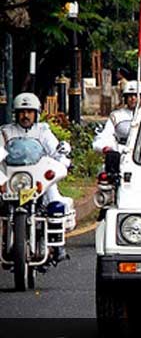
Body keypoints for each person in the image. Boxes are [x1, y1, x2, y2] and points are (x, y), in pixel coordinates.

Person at [0, 93, 74, 262]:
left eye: (29, 111)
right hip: (14, 180)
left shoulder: (43, 131)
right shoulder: (6, 132)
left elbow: (56, 151)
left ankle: (57, 245)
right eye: (22, 112)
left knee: (54, 200)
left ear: (36, 113)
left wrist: (63, 161)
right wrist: (1, 182)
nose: (25, 115)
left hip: (38, 179)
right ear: (16, 114)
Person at [93, 81, 141, 153]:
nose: (133, 98)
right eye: (130, 96)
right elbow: (105, 135)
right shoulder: (116, 116)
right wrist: (105, 148)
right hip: (122, 153)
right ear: (125, 98)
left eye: (136, 95)